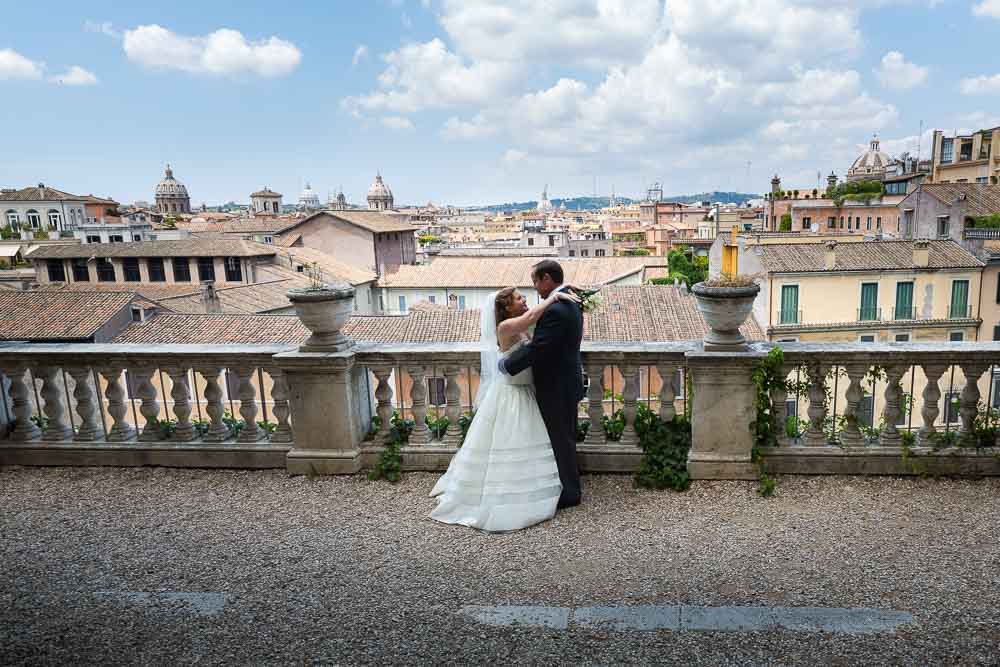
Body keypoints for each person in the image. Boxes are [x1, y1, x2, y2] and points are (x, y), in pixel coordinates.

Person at [429, 285, 581, 532]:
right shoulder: (506, 327)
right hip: (511, 394)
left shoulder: (519, 325)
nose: (524, 301)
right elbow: (532, 318)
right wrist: (555, 296)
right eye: (519, 298)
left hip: (526, 391)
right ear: (506, 307)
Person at [501, 260, 585, 509]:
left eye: (536, 281)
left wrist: (507, 366)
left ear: (547, 279)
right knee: (564, 437)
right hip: (566, 380)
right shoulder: (570, 298)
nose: (535, 288)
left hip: (556, 384)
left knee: (560, 439)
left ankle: (570, 493)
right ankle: (566, 486)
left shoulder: (557, 309)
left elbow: (539, 348)